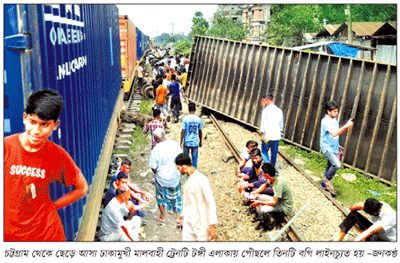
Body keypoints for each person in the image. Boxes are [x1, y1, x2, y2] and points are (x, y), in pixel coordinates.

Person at [4, 89, 89, 241]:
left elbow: (82, 188)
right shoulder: (6, 148)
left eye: (44, 124)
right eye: (32, 122)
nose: (36, 131)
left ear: (55, 125)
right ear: (25, 118)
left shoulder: (56, 155)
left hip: (46, 236)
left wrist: (52, 207)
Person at [175, 153, 218, 241]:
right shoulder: (185, 179)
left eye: (178, 168)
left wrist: (212, 225)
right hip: (188, 219)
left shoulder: (202, 179)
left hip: (201, 220)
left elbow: (210, 202)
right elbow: (186, 200)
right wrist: (182, 217)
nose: (178, 170)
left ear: (183, 167)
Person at [149, 128, 183, 226]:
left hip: (162, 179)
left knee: (160, 197)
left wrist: (157, 173)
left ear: (156, 139)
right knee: (177, 197)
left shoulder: (155, 150)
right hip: (175, 176)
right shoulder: (175, 144)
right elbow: (180, 157)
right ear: (164, 135)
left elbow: (153, 167)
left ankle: (163, 216)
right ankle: (177, 217)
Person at [320, 101, 353, 197]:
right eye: (334, 111)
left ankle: (324, 185)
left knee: (330, 165)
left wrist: (337, 145)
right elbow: (334, 133)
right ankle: (327, 180)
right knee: (336, 165)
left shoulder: (334, 120)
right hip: (326, 147)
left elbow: (334, 136)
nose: (336, 113)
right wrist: (346, 126)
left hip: (334, 147)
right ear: (328, 112)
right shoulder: (325, 121)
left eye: (337, 111)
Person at [249, 163, 293, 231]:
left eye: (262, 172)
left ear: (266, 174)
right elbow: (265, 185)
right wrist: (255, 192)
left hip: (284, 207)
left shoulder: (279, 184)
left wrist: (259, 202)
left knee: (264, 209)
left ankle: (268, 226)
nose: (262, 173)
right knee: (257, 196)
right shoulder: (273, 177)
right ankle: (261, 218)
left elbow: (273, 202)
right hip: (278, 200)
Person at [331, 198, 396, 241]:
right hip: (376, 231)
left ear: (375, 212)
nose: (370, 215)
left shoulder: (389, 217)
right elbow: (352, 207)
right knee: (354, 214)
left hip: (388, 240)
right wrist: (361, 206)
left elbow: (370, 231)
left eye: (370, 214)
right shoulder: (376, 204)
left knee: (373, 236)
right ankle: (339, 237)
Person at [259, 93, 284, 172]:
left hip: (267, 136)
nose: (262, 103)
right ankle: (273, 170)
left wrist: (262, 134)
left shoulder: (265, 111)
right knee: (274, 155)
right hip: (276, 137)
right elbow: (281, 124)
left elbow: (263, 124)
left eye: (263, 101)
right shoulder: (279, 110)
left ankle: (268, 168)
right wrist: (280, 132)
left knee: (264, 151)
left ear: (266, 100)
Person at [180, 102, 203, 169]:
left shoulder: (185, 119)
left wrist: (181, 142)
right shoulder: (198, 119)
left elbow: (183, 131)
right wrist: (200, 141)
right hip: (195, 142)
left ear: (188, 109)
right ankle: (193, 172)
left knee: (186, 158)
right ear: (195, 109)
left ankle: (186, 171)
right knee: (194, 159)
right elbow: (200, 131)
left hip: (187, 142)